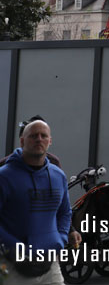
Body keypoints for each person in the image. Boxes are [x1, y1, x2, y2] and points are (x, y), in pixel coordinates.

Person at [0, 119, 76, 285]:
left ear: (50, 141)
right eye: (33, 135)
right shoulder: (4, 176)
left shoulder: (58, 175)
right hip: (11, 263)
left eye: (43, 136)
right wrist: (18, 248)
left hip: (50, 264)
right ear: (22, 140)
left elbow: (64, 212)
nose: (39, 139)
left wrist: (61, 238)